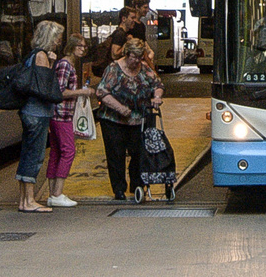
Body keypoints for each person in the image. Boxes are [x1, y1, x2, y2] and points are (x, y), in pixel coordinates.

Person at [16, 22, 85, 213]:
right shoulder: (41, 56)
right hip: (37, 112)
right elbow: (46, 86)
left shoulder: (32, 55)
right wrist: (51, 63)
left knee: (28, 154)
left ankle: (24, 200)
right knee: (35, 156)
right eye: (56, 38)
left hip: (30, 111)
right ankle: (29, 200)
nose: (57, 42)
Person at [95, 37, 163, 201]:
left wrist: (157, 97)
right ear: (126, 54)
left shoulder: (144, 68)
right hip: (113, 120)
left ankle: (137, 186)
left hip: (138, 120)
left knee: (139, 152)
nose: (137, 61)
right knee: (116, 154)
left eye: (140, 57)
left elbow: (158, 85)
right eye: (134, 57)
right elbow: (102, 92)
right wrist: (121, 108)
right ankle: (119, 189)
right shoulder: (114, 69)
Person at [43, 27, 95, 208]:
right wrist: (83, 91)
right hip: (61, 114)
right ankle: (58, 193)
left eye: (84, 47)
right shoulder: (66, 65)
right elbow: (60, 91)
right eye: (80, 46)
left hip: (58, 114)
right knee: (68, 151)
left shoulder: (64, 64)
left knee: (56, 152)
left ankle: (52, 193)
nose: (83, 49)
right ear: (72, 47)